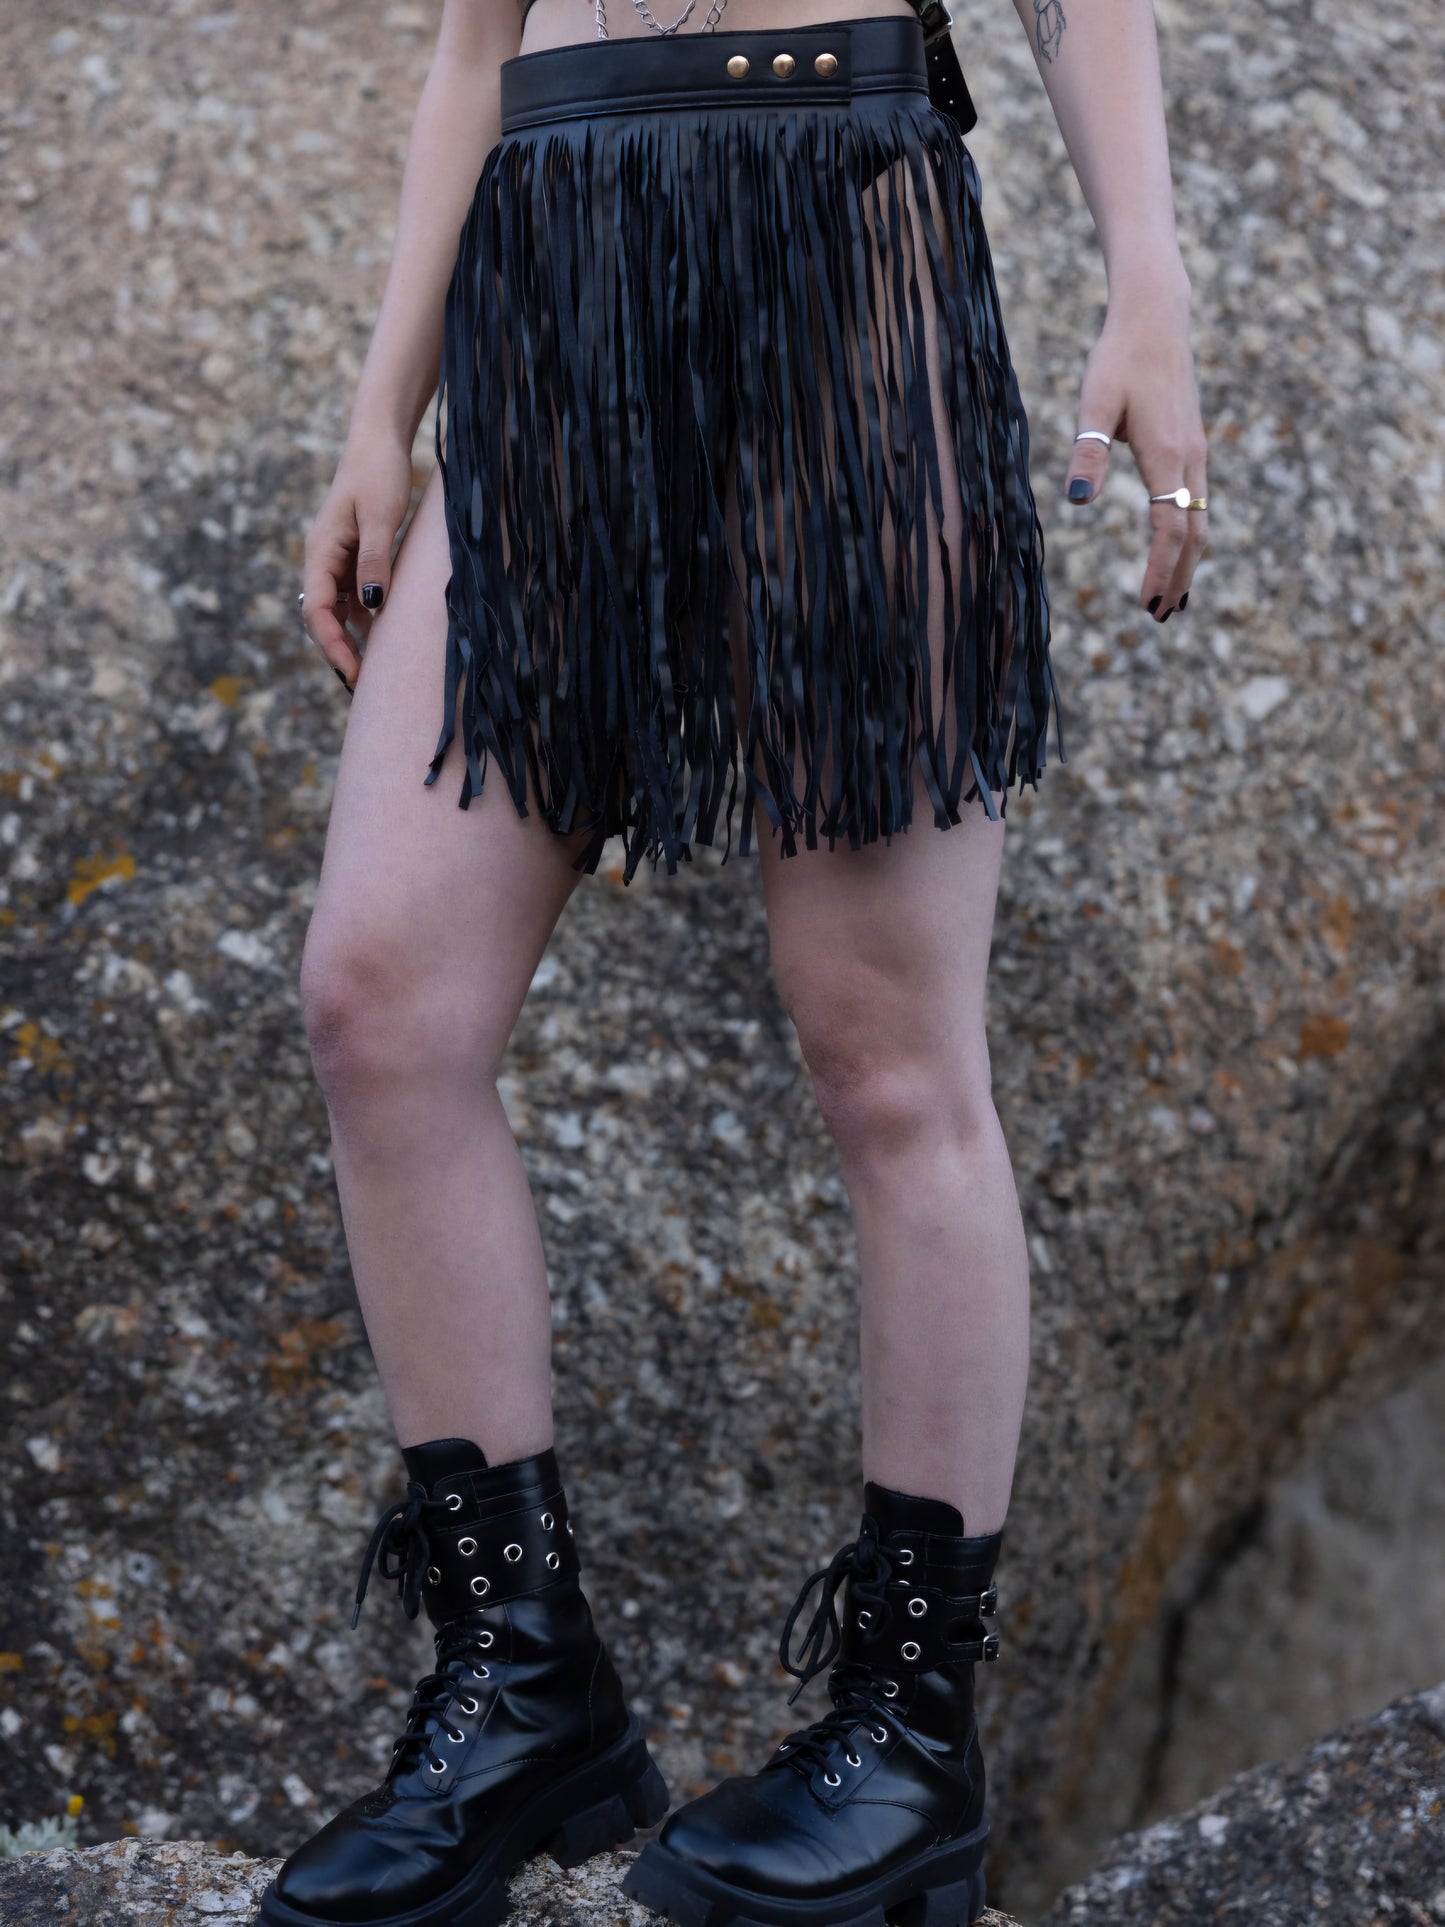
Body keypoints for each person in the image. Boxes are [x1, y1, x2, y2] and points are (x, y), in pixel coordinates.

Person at [260, 0, 1207, 1920]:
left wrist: (1148, 272)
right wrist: (380, 411)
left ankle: (907, 1743)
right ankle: (519, 1687)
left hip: (838, 233)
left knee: (888, 1059)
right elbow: (470, 41)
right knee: (380, 1003)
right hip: (551, 263)